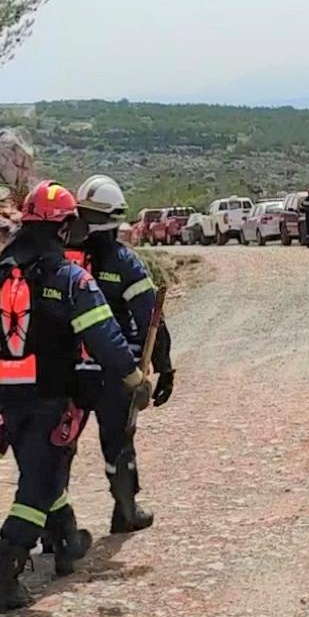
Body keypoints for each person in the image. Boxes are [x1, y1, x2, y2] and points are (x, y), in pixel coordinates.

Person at [0, 181, 151, 613]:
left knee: (38, 471)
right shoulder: (70, 279)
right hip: (52, 398)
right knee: (40, 485)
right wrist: (135, 379)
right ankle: (3, 574)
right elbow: (107, 340)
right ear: (64, 229)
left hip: (8, 400)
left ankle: (65, 537)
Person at [62, 173, 175, 535]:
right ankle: (125, 510)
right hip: (116, 371)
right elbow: (150, 319)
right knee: (119, 441)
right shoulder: (125, 263)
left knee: (60, 446)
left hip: (66, 371)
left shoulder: (63, 260)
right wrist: (165, 367)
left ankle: (54, 527)